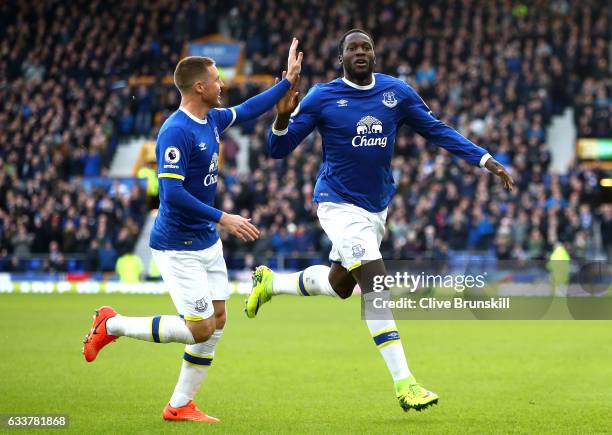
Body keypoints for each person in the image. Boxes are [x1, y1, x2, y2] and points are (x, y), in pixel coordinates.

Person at [245, 29, 513, 412]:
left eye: (366, 47)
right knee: (376, 285)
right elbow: (277, 149)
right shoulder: (322, 96)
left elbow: (436, 130)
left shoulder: (395, 93)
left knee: (339, 284)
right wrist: (283, 118)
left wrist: (484, 160)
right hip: (337, 205)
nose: (360, 52)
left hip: (375, 210)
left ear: (374, 55)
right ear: (341, 58)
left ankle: (271, 282)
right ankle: (406, 384)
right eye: (352, 48)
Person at [82, 38, 303, 422]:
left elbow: (249, 109)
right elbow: (172, 193)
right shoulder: (175, 131)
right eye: (217, 80)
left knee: (217, 322)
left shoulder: (213, 120)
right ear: (200, 87)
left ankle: (180, 405)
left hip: (205, 241)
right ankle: (111, 323)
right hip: (176, 245)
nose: (222, 85)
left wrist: (287, 83)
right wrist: (223, 217)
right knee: (200, 330)